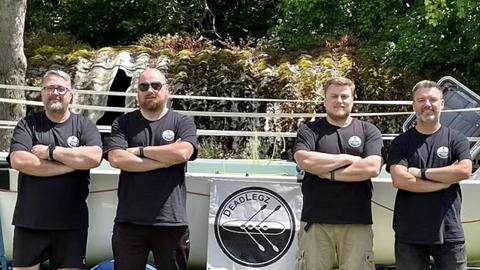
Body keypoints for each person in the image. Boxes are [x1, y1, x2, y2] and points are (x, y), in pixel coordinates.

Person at [7, 70, 103, 270]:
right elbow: (19, 161)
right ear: (42, 93)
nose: (55, 93)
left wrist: (50, 152)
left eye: (60, 88)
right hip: (30, 220)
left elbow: (94, 157)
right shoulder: (28, 124)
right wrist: (71, 164)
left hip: (71, 222)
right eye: (49, 88)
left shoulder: (84, 126)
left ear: (70, 94)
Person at [104, 68, 198, 270]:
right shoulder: (123, 122)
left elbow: (182, 153)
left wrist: (138, 151)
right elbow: (117, 158)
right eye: (144, 86)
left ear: (167, 89)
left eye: (156, 85)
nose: (150, 90)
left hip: (171, 221)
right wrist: (165, 159)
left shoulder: (182, 122)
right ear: (137, 91)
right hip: (129, 222)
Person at [293, 77, 384, 270]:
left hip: (357, 222)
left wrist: (329, 173)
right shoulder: (309, 130)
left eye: (344, 96)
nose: (339, 101)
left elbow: (372, 168)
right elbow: (305, 161)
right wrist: (348, 159)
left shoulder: (369, 131)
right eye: (334, 96)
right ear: (325, 100)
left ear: (353, 100)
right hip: (316, 222)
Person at [386, 80, 472, 270]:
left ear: (442, 103)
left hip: (449, 232)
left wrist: (420, 173)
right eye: (421, 100)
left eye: (433, 99)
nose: (427, 104)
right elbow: (400, 179)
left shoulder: (456, 139)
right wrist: (442, 182)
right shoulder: (400, 143)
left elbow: (464, 170)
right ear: (414, 105)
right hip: (409, 234)